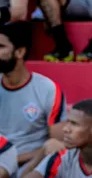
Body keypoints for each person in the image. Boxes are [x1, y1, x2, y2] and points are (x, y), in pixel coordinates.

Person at [0, 22, 67, 176]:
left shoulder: (48, 90)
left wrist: (13, 159)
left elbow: (57, 144)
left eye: (1, 47)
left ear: (20, 52)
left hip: (30, 165)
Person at [24, 99, 92, 178]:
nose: (65, 129)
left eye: (74, 124)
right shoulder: (62, 156)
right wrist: (42, 153)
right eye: (68, 122)